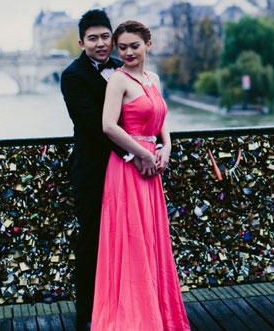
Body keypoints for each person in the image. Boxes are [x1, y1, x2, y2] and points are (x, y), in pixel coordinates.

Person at [92, 20, 190, 330]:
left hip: (152, 170)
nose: (128, 52)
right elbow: (108, 125)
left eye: (134, 46)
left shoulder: (154, 79)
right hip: (127, 169)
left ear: (148, 44)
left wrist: (167, 147)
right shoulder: (117, 81)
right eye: (122, 48)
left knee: (151, 241)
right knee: (132, 240)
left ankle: (156, 313)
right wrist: (143, 153)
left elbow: (162, 118)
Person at [60, 10, 127, 331]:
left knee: (126, 240)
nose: (101, 44)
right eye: (93, 38)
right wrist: (135, 153)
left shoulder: (121, 68)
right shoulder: (72, 76)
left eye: (105, 37)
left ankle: (123, 307)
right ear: (81, 42)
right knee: (91, 242)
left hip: (126, 169)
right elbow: (92, 126)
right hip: (93, 172)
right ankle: (87, 314)